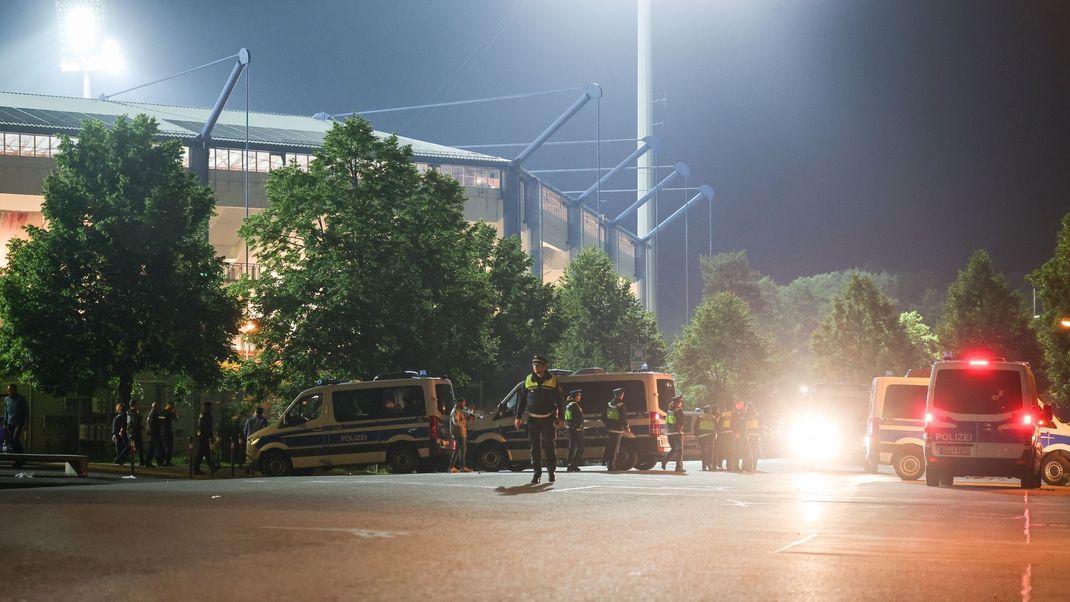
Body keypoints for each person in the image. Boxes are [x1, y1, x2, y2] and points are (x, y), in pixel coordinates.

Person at [514, 355, 564, 485]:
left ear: (545, 366)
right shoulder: (528, 379)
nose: (536, 367)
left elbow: (559, 400)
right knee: (535, 448)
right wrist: (518, 417)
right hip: (533, 419)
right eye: (534, 365)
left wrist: (561, 417)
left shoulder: (553, 380)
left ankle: (551, 471)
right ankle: (536, 474)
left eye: (538, 365)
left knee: (548, 445)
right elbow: (522, 400)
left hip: (548, 418)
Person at [603, 388, 629, 471]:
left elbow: (603, 416)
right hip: (617, 429)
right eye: (622, 394)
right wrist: (627, 427)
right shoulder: (620, 405)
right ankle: (611, 466)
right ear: (620, 395)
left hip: (610, 429)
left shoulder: (609, 403)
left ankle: (607, 462)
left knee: (610, 447)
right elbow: (623, 417)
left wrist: (608, 424)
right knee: (615, 448)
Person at [3, 384, 29, 462]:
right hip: (10, 422)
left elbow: (26, 411)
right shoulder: (6, 399)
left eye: (11, 389)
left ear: (15, 390)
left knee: (15, 439)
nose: (9, 391)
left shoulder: (21, 398)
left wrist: (26, 423)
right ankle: (18, 458)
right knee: (12, 441)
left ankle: (20, 458)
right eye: (8, 390)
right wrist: (5, 423)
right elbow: (6, 412)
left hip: (19, 422)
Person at [661, 395, 686, 472]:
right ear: (678, 403)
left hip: (670, 433)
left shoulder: (670, 410)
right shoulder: (679, 410)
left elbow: (668, 422)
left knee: (674, 449)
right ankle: (678, 467)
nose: (681, 403)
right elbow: (682, 422)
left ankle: (665, 460)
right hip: (677, 433)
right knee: (680, 450)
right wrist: (680, 431)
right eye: (680, 402)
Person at [243, 406, 269, 474]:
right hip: (259, 439)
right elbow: (265, 430)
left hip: (250, 439)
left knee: (249, 455)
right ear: (261, 413)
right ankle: (257, 468)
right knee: (258, 454)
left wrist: (247, 438)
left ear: (255, 412)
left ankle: (248, 469)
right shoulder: (263, 420)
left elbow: (245, 431)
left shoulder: (249, 420)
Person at [564, 389, 585, 472]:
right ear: (575, 396)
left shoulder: (568, 404)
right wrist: (578, 425)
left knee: (572, 447)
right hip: (575, 429)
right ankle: (573, 464)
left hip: (570, 428)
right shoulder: (574, 405)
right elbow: (576, 417)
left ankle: (570, 464)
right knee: (580, 447)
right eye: (578, 396)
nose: (580, 397)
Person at [449, 398, 472, 473]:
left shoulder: (458, 411)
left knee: (457, 450)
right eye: (463, 403)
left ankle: (451, 467)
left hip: (461, 433)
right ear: (459, 403)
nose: (464, 405)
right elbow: (456, 423)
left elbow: (462, 420)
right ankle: (463, 467)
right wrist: (465, 419)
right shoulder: (455, 411)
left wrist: (467, 419)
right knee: (463, 450)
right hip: (459, 433)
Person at [193, 401, 216, 475]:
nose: (212, 408)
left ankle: (212, 467)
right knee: (202, 453)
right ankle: (196, 469)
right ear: (208, 407)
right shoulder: (207, 415)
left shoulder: (201, 414)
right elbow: (207, 427)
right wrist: (210, 437)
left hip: (201, 435)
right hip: (205, 436)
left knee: (206, 453)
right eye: (211, 407)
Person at [694, 405, 718, 471]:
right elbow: (716, 427)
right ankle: (709, 465)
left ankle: (704, 465)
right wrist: (715, 434)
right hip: (710, 436)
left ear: (704, 410)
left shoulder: (700, 416)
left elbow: (696, 426)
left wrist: (696, 435)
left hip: (702, 436)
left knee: (703, 451)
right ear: (709, 410)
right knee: (710, 451)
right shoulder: (713, 417)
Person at [127, 400, 149, 467]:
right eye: (137, 404)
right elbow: (135, 422)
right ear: (134, 405)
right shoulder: (133, 413)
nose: (138, 406)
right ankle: (140, 460)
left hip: (131, 431)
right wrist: (141, 427)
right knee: (138, 447)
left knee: (135, 446)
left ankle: (141, 460)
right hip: (134, 432)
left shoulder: (129, 412)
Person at [728, 400, 747, 472]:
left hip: (743, 434)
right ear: (736, 405)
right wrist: (736, 433)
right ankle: (735, 467)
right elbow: (731, 425)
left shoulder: (744, 413)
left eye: (743, 404)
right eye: (740, 404)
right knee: (737, 451)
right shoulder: (735, 414)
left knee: (744, 451)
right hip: (737, 435)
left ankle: (744, 467)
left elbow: (745, 424)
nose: (742, 406)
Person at [145, 401, 163, 468]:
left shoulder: (151, 413)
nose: (159, 407)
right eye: (158, 406)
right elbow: (152, 424)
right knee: (158, 448)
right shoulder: (154, 414)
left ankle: (147, 461)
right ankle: (159, 462)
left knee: (151, 449)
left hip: (152, 434)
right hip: (154, 434)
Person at [745, 403, 761, 472]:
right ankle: (754, 466)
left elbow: (745, 425)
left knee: (749, 451)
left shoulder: (746, 415)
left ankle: (749, 466)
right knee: (755, 451)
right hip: (756, 435)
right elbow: (760, 425)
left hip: (749, 435)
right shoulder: (757, 415)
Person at [159, 402, 177, 466]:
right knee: (166, 446)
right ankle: (163, 461)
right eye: (170, 406)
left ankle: (167, 461)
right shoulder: (162, 412)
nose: (171, 407)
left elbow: (175, 419)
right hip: (164, 431)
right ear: (167, 405)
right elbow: (161, 420)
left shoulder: (170, 412)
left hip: (169, 431)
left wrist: (174, 412)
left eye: (172, 406)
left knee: (170, 447)